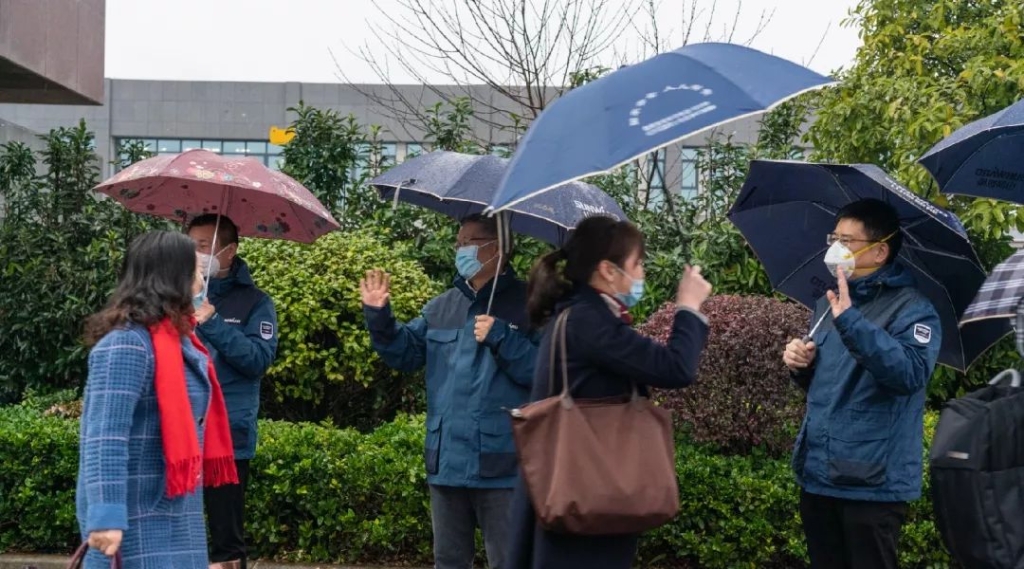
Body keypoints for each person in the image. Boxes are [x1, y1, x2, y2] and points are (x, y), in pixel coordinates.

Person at [506, 214, 712, 569]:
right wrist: (688, 307)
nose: (642, 273)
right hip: (584, 500)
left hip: (577, 493)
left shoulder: (577, 315)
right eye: (638, 264)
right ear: (607, 270)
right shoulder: (589, 321)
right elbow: (675, 368)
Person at [361, 214, 539, 569]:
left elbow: (544, 372)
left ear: (498, 249)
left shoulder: (531, 305)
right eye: (458, 242)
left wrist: (503, 337)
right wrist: (379, 317)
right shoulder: (442, 306)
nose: (460, 250)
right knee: (448, 561)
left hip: (502, 462)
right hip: (446, 463)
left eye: (469, 242)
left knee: (509, 560)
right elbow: (406, 353)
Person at [783, 198, 942, 569]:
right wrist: (800, 364)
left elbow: (909, 374)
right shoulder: (830, 303)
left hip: (871, 483)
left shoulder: (913, 309)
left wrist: (851, 321)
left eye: (847, 240)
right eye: (833, 237)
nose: (836, 248)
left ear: (879, 251)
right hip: (820, 473)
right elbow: (831, 382)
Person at [77, 231, 238, 568]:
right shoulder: (126, 344)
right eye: (194, 273)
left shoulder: (180, 340)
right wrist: (106, 516)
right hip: (134, 516)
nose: (201, 281)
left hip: (176, 512)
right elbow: (104, 437)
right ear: (171, 278)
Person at [187, 214, 278, 569]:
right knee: (180, 530)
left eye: (202, 246)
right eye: (189, 245)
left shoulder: (255, 302)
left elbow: (257, 359)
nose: (194, 255)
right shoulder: (172, 297)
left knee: (226, 543)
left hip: (227, 436)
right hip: (180, 433)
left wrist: (210, 319)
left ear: (228, 252)